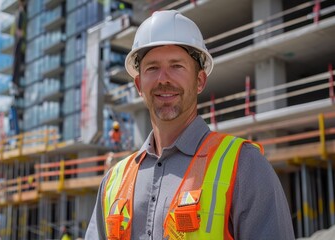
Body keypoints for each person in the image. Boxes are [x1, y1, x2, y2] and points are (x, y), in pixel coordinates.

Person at [85, 10, 295, 240]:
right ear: (138, 84)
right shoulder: (114, 181)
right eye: (152, 68)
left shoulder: (245, 166)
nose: (163, 79)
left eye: (177, 66)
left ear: (200, 81)